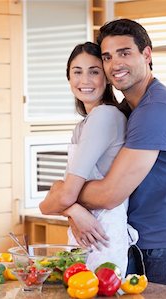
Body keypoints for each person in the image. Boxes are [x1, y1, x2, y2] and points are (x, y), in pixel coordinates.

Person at [44, 19, 166, 291]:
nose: (115, 64)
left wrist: (65, 198)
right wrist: (70, 205)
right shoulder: (128, 110)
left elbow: (110, 194)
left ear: (147, 55)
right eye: (108, 57)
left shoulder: (156, 110)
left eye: (124, 53)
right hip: (139, 242)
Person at [39, 42, 137, 276]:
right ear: (68, 77)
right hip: (88, 237)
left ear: (106, 78)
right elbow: (61, 193)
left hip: (103, 240)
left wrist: (69, 205)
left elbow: (59, 197)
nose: (85, 80)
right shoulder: (87, 123)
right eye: (77, 72)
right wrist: (74, 210)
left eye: (94, 71)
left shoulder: (104, 116)